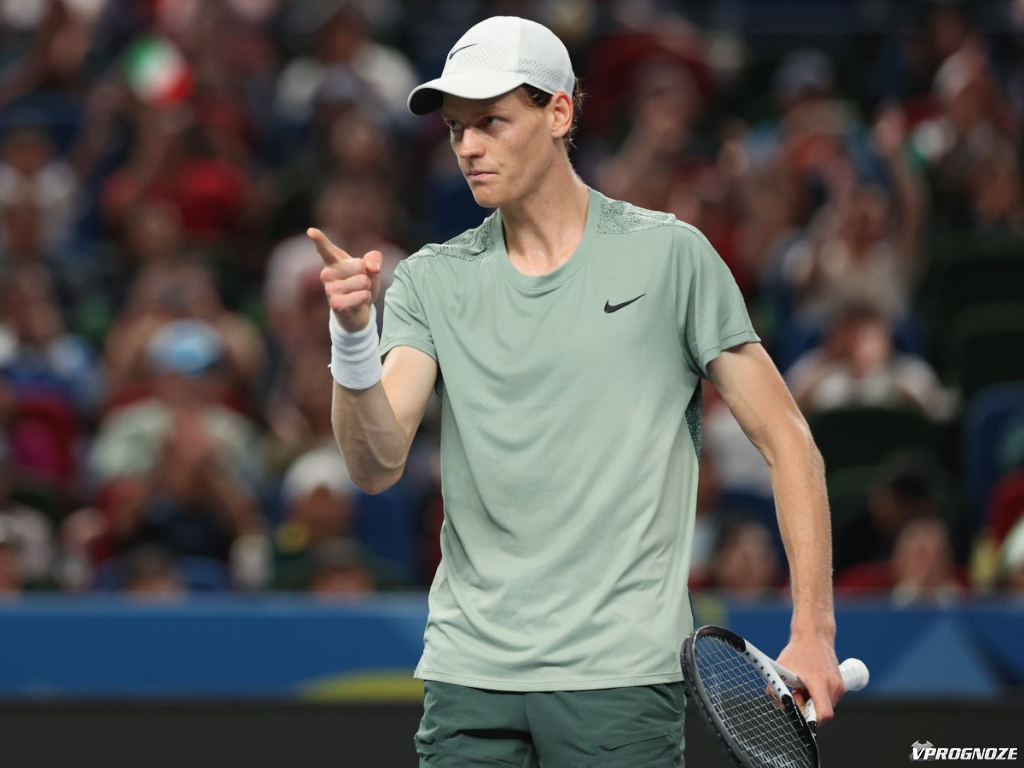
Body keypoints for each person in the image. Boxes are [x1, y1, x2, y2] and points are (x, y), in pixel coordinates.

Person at [307, 16, 845, 767]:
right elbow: (374, 465)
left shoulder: (671, 258)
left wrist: (813, 630)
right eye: (457, 128)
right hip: (469, 676)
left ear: (559, 112)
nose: (468, 146)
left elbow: (789, 442)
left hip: (619, 680)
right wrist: (352, 339)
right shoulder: (430, 280)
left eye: (492, 121)